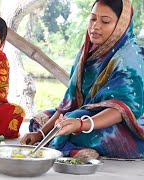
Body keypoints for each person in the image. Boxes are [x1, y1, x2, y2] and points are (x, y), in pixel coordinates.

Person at [21, 0, 144, 159]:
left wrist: (81, 124)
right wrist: (41, 133)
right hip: (87, 116)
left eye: (105, 21)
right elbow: (69, 102)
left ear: (121, 25)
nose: (95, 26)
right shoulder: (87, 53)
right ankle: (66, 144)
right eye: (93, 19)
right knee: (43, 119)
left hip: (129, 129)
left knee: (70, 123)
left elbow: (121, 110)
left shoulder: (132, 57)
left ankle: (70, 149)